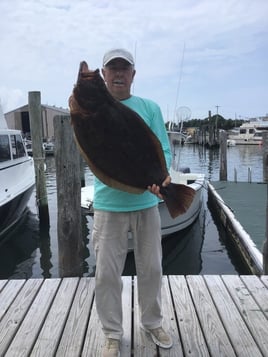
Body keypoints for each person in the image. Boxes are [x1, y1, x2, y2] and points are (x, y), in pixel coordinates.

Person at [92, 48, 173, 357]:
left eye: (124, 68)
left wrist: (161, 178)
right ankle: (112, 333)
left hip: (146, 203)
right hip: (107, 204)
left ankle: (152, 322)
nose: (118, 74)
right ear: (103, 75)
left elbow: (162, 149)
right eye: (112, 68)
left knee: (151, 268)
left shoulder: (149, 107)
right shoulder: (94, 111)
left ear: (133, 75)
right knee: (106, 274)